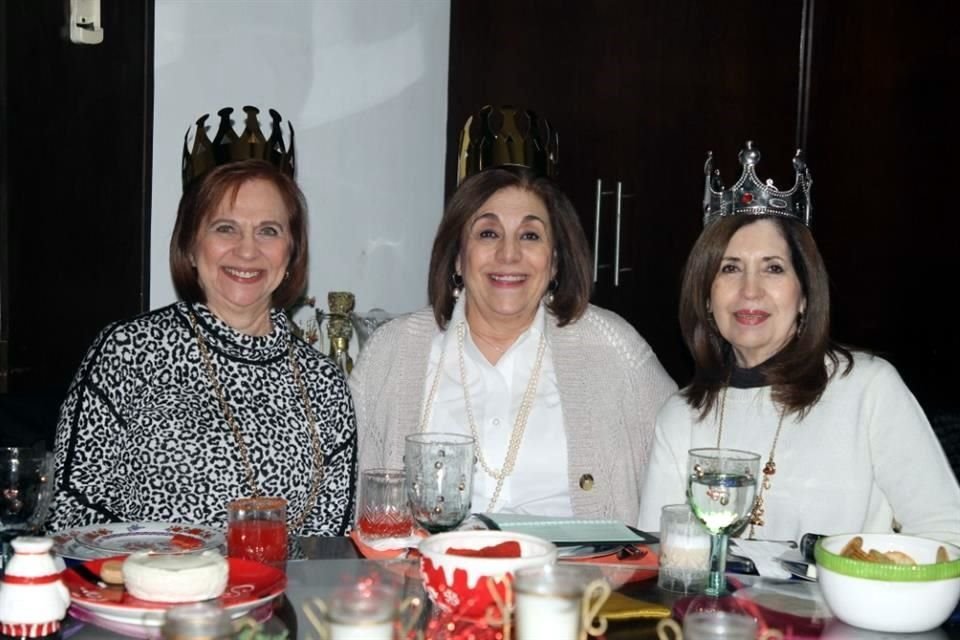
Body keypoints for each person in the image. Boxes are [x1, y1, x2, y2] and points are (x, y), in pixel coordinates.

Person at [638, 143, 960, 544]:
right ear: (706, 295)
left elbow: (946, 532)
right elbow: (660, 555)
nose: (749, 291)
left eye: (773, 268)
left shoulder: (868, 389)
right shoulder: (681, 415)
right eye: (730, 268)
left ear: (805, 293)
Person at [351, 165, 676, 523]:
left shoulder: (612, 349)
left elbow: (679, 467)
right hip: (425, 576)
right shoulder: (392, 353)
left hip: (578, 578)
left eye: (531, 236)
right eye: (488, 233)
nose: (509, 254)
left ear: (554, 262)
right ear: (458, 258)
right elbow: (350, 505)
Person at [49, 159, 357, 536]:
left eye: (268, 231)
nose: (247, 251)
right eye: (225, 228)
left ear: (291, 255)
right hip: (147, 589)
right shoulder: (129, 350)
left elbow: (326, 544)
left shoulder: (324, 382)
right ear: (191, 247)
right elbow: (70, 507)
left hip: (279, 592)